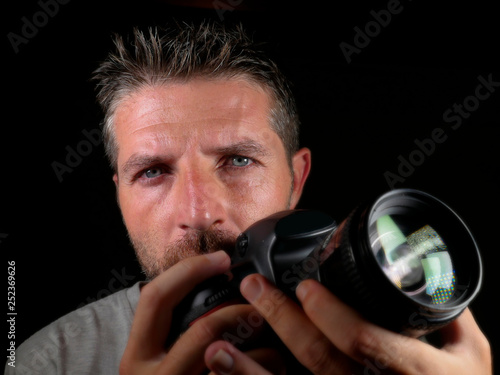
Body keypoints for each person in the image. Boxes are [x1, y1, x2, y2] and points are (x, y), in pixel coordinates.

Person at [7, 21, 491, 375]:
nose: (199, 213)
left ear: (296, 178)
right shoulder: (51, 364)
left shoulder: (416, 355)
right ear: (119, 198)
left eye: (238, 161)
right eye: (153, 172)